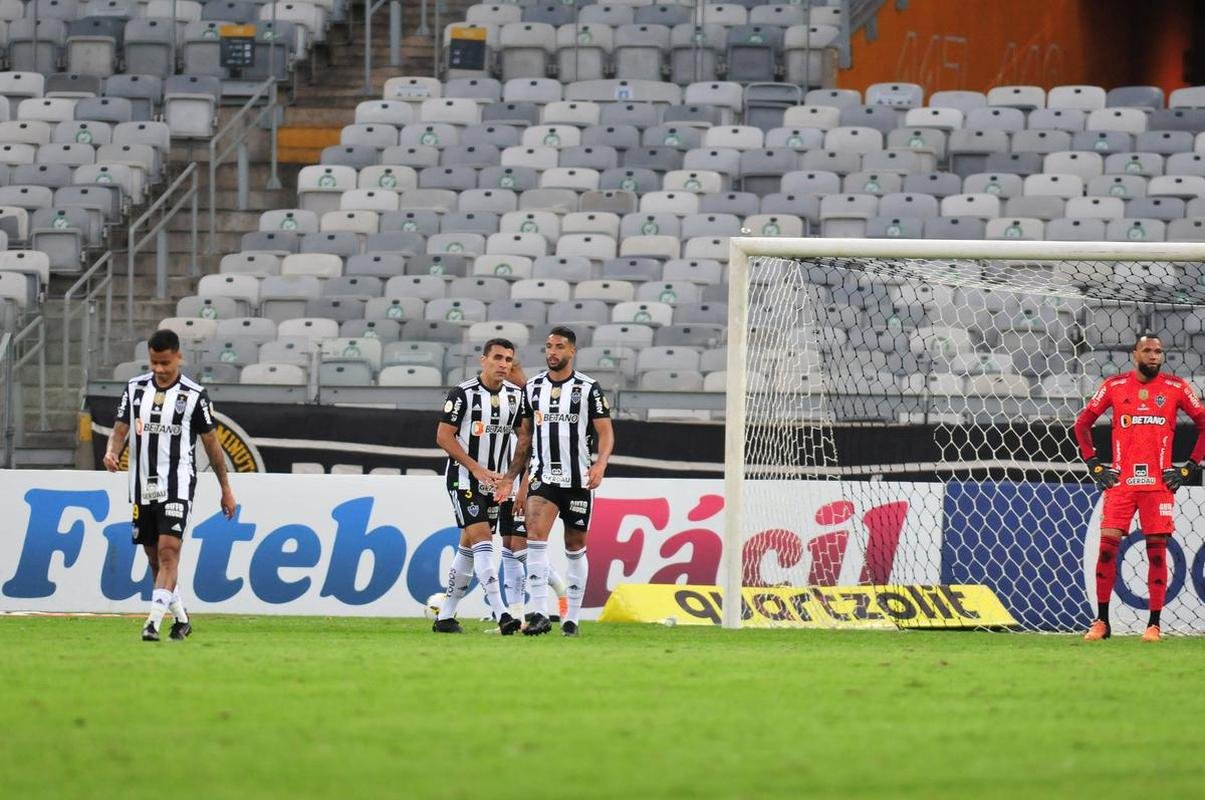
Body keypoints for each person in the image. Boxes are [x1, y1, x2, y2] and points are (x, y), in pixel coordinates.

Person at [103, 329, 236, 642]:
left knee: (168, 552)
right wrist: (112, 451)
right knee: (154, 559)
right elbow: (120, 429)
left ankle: (152, 624)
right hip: (141, 486)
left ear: (179, 357)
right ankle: (181, 618)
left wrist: (225, 489)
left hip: (177, 484)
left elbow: (213, 446)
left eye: (165, 363)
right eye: (154, 363)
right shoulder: (135, 389)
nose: (159, 369)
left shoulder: (194, 395)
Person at [1074, 333, 1205, 642]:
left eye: (1158, 351)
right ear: (1134, 355)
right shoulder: (1114, 386)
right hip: (1121, 483)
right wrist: (1093, 464)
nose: (1154, 355)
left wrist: (1189, 466)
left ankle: (1153, 626)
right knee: (1106, 551)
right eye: (1147, 350)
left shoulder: (1176, 388)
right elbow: (1082, 424)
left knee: (1157, 555)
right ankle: (1102, 622)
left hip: (1159, 485)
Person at [497, 326, 614, 637]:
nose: (552, 352)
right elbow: (525, 438)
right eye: (549, 347)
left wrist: (600, 464)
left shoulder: (589, 388)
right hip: (543, 477)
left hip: (577, 480)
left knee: (575, 547)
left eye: (559, 347)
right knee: (534, 537)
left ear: (572, 351)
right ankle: (538, 613)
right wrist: (511, 478)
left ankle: (572, 618)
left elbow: (605, 432)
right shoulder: (532, 388)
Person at [433, 338, 528, 635]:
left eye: (508, 359)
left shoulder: (515, 397)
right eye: (497, 357)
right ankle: (502, 613)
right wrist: (476, 468)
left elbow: (525, 441)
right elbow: (443, 437)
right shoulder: (463, 393)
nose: (503, 364)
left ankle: (446, 617)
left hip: (496, 484)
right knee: (484, 542)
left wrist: (511, 479)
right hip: (465, 479)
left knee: (468, 547)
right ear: (483, 360)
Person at [495, 356, 569, 626]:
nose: (506, 370)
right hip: (506, 484)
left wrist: (524, 489)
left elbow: (534, 453)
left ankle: (561, 591)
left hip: (524, 485)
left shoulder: (533, 402)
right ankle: (515, 618)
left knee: (519, 547)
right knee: (507, 548)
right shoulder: (505, 401)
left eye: (513, 366)